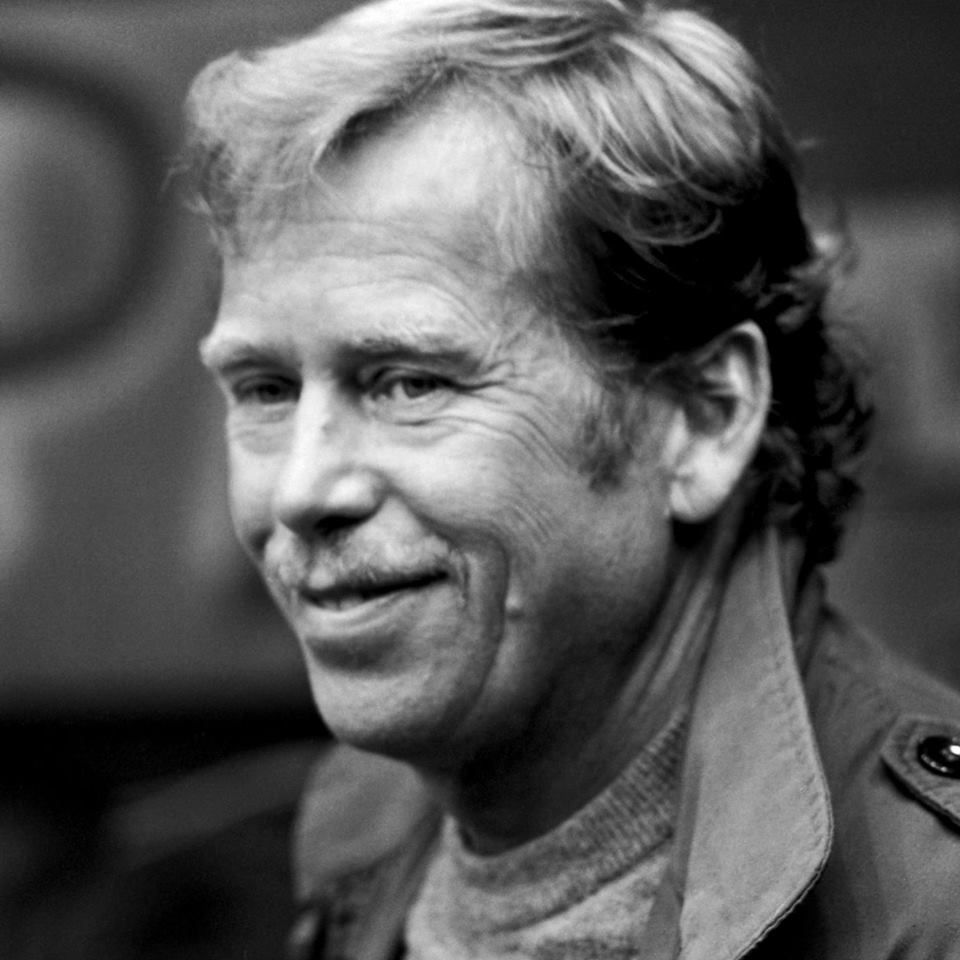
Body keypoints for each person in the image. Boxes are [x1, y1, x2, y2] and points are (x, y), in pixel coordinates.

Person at [184, 1, 960, 956]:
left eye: (410, 384)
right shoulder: (360, 833)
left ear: (705, 417)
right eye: (264, 389)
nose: (300, 491)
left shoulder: (931, 900)